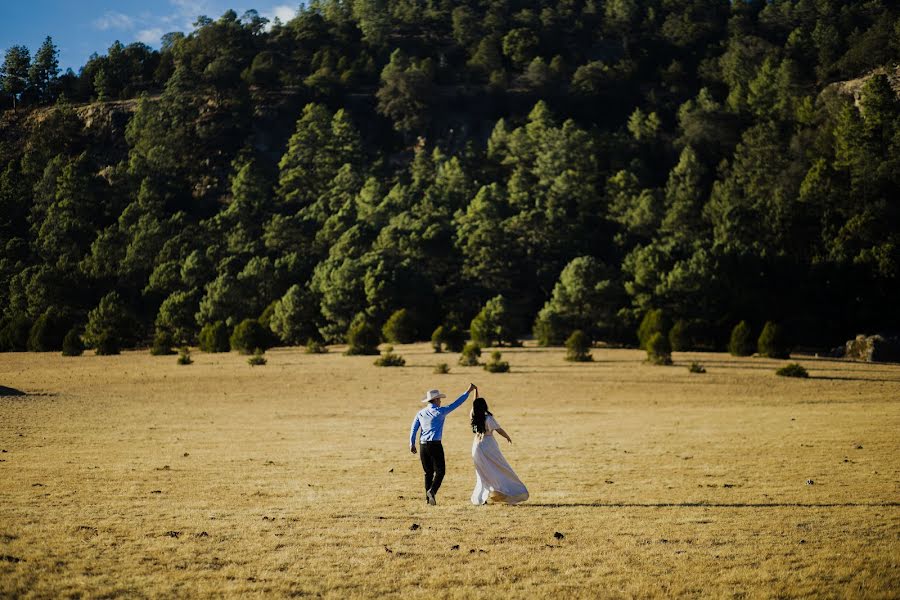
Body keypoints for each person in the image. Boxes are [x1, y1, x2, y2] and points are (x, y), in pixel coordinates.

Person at [410, 383, 476, 505]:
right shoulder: (441, 411)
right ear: (435, 400)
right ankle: (432, 491)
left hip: (423, 445)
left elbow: (414, 428)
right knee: (440, 471)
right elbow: (457, 403)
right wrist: (468, 391)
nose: (440, 401)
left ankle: (428, 500)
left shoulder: (421, 413)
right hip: (435, 445)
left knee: (428, 473)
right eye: (439, 399)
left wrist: (411, 443)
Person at [470, 392, 528, 505]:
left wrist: (475, 392)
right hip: (488, 446)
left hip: (476, 447)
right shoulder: (488, 419)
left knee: (482, 473)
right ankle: (506, 491)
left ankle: (480, 498)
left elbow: (474, 405)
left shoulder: (473, 416)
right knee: (499, 468)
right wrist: (507, 437)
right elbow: (498, 430)